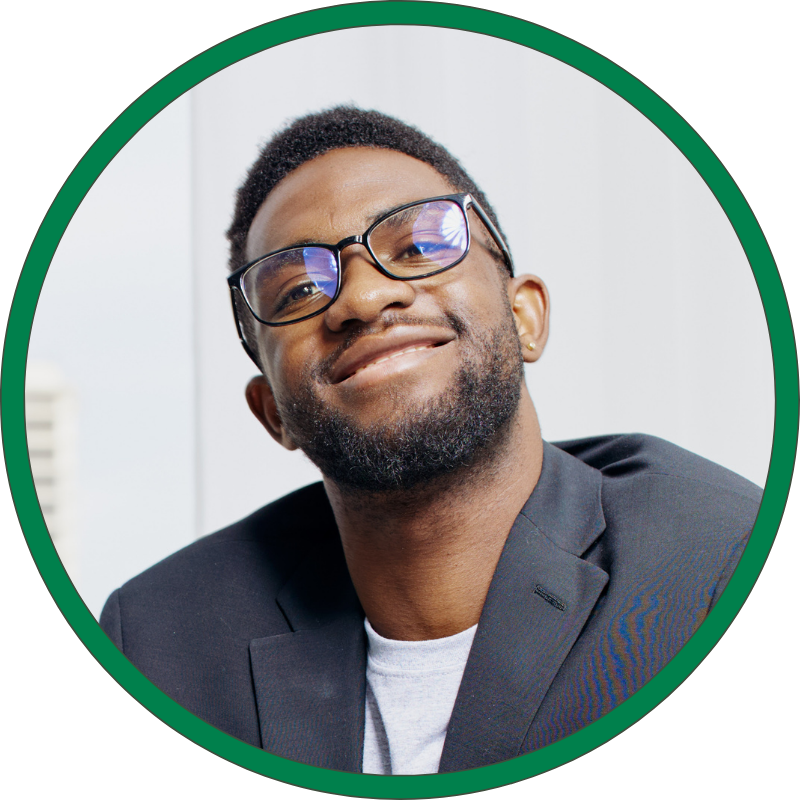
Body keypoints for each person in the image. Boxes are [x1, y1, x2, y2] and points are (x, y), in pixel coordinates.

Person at [100, 107, 762, 775]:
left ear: (525, 317)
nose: (362, 298)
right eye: (299, 289)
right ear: (273, 413)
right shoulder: (158, 645)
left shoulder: (719, 566)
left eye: (417, 247)